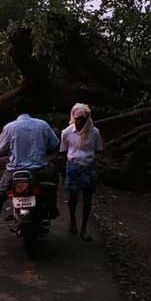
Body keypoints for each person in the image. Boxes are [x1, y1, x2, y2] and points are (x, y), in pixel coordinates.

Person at [0, 112, 59, 244]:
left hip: (14, 172)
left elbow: (0, 148)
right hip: (38, 171)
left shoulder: (10, 127)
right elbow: (55, 144)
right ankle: (52, 208)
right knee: (52, 181)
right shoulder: (43, 125)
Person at [60, 103, 103, 242]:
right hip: (73, 167)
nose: (79, 121)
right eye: (76, 118)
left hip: (89, 168)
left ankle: (84, 228)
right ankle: (72, 220)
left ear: (87, 118)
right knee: (73, 197)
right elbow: (63, 151)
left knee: (87, 199)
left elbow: (98, 150)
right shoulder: (67, 132)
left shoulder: (95, 132)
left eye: (82, 119)